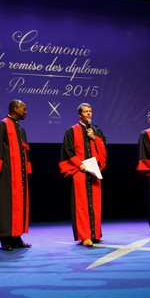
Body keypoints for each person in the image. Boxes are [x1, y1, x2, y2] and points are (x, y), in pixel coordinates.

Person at [0, 99, 32, 251]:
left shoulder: (21, 129)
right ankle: (5, 239)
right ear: (15, 108)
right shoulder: (1, 126)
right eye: (23, 109)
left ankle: (16, 236)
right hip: (6, 173)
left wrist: (27, 170)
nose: (26, 111)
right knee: (6, 206)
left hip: (20, 174)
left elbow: (25, 152)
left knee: (19, 206)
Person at [59, 103, 106, 247]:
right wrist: (79, 164)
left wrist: (94, 138)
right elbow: (67, 151)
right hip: (79, 170)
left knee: (95, 203)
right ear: (80, 114)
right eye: (85, 112)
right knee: (82, 205)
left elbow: (104, 148)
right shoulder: (72, 130)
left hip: (94, 171)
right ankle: (85, 236)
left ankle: (95, 234)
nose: (88, 114)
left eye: (90, 111)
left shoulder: (96, 130)